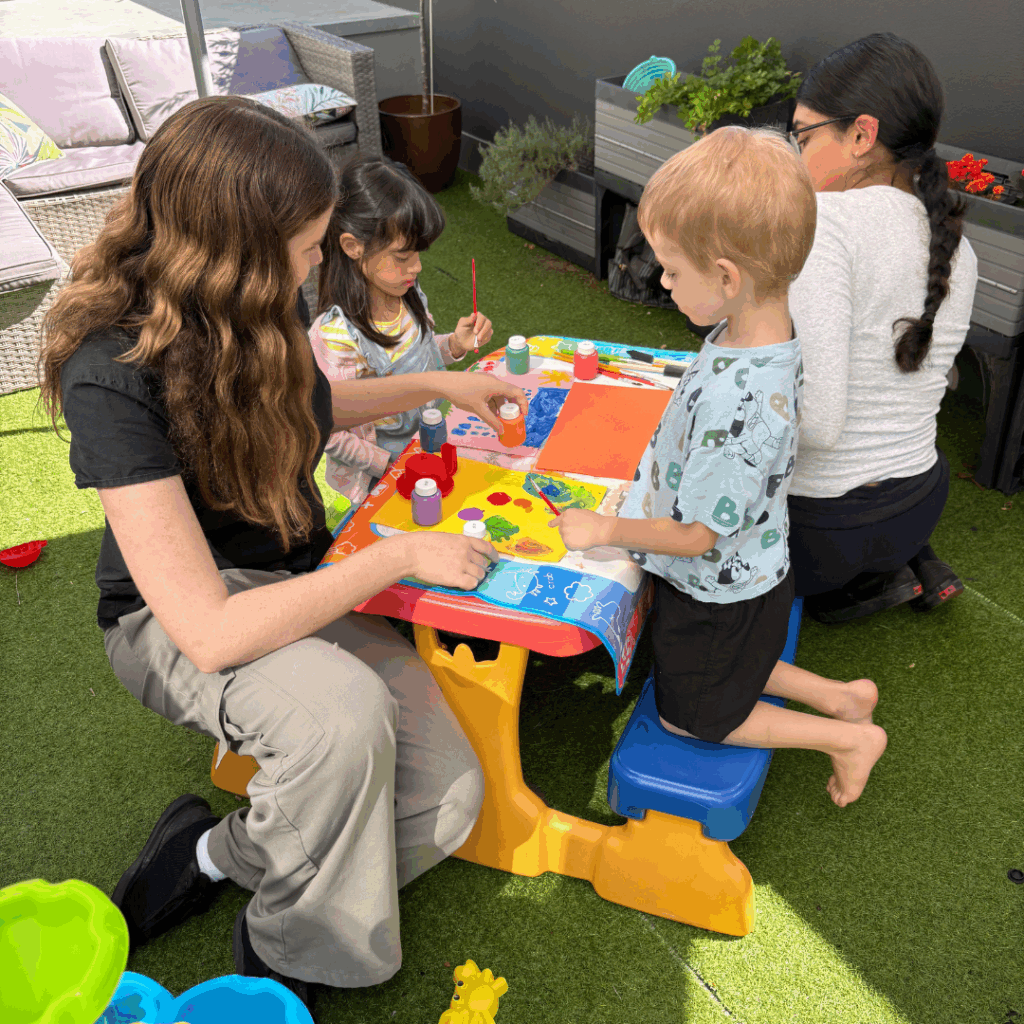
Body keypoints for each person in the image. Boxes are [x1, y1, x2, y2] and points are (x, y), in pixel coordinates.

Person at [38, 95, 528, 1009]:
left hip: (295, 578)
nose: (318, 262)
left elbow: (311, 404)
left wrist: (441, 382)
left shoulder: (257, 301)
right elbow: (210, 631)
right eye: (307, 247)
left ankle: (211, 854)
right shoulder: (112, 370)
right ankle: (287, 959)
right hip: (179, 615)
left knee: (449, 801)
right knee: (342, 722)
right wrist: (396, 559)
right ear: (235, 251)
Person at [551, 127, 888, 807]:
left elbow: (696, 537)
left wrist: (604, 529)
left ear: (727, 277)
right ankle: (841, 698)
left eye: (671, 269)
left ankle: (848, 739)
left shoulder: (741, 398)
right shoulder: (756, 332)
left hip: (717, 586)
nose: (663, 281)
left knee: (697, 711)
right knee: (744, 663)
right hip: (752, 573)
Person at [785, 32, 979, 623]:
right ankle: (894, 570)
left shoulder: (827, 223)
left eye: (803, 135)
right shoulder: (957, 246)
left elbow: (816, 427)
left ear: (862, 135)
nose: (797, 154)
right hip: (919, 502)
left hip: (820, 533)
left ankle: (844, 589)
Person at [308, 158, 493, 509]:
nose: (417, 267)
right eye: (403, 256)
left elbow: (419, 362)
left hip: (425, 446)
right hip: (377, 480)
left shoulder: (406, 293)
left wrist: (453, 344)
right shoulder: (336, 337)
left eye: (419, 254)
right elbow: (328, 429)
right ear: (352, 246)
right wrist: (387, 465)